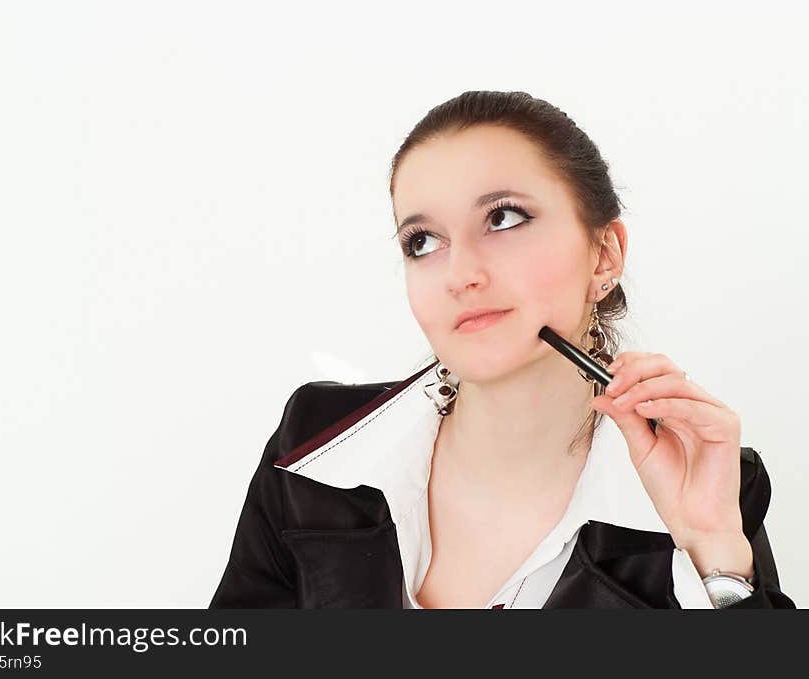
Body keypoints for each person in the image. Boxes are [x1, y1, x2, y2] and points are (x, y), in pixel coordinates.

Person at [208, 91, 795, 609]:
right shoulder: (314, 447)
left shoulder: (707, 485)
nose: (460, 273)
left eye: (504, 217)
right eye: (423, 241)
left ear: (604, 255)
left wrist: (716, 559)